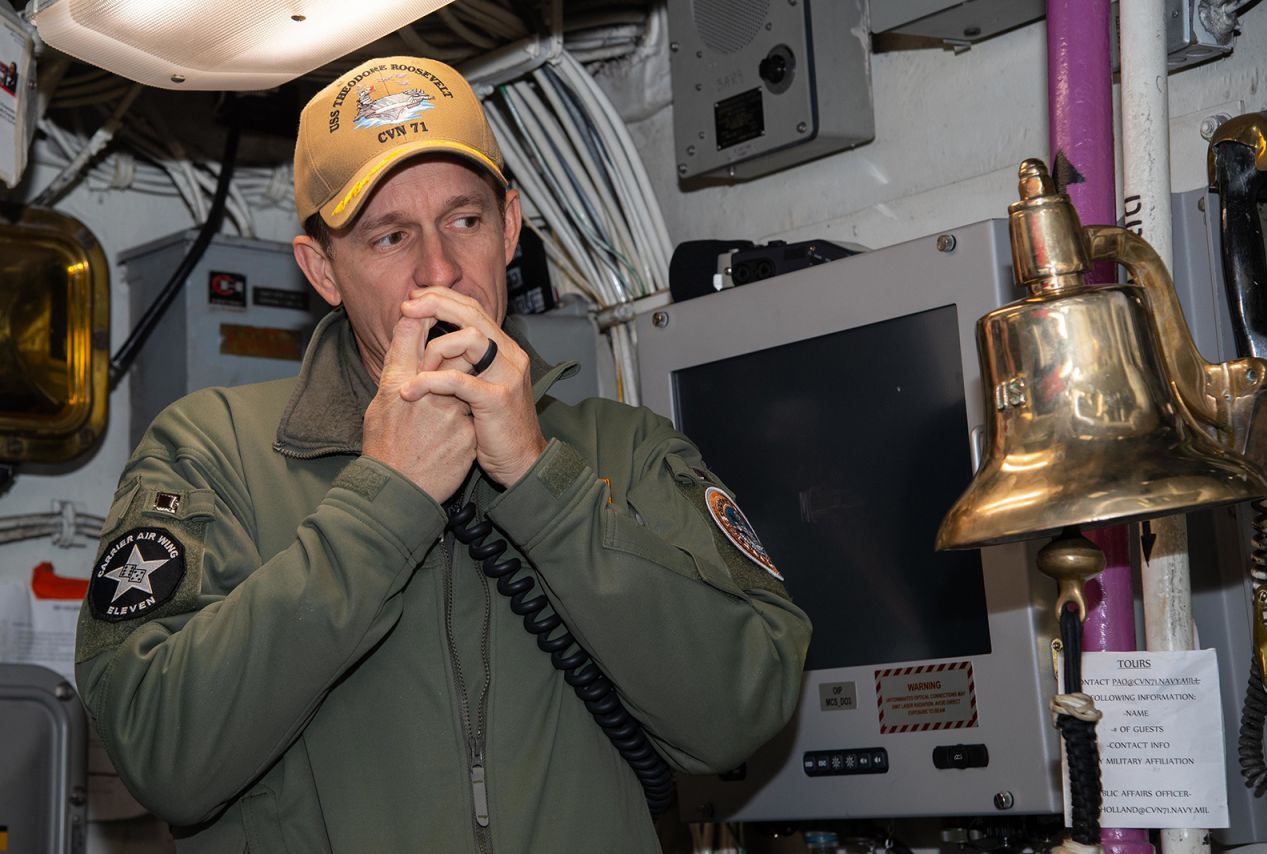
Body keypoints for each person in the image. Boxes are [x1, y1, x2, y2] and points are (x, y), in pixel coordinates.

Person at [75, 56, 811, 853]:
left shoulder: (624, 450)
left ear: (512, 226)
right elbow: (158, 753)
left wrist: (542, 479)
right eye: (389, 236)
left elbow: (742, 712)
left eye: (465, 220)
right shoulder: (211, 451)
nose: (440, 269)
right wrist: (384, 498)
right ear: (322, 268)